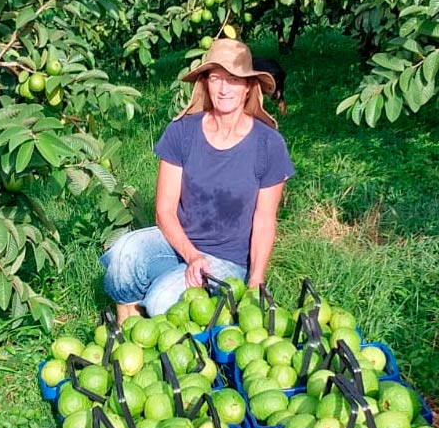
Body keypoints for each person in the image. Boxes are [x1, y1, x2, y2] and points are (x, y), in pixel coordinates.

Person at [101, 38, 295, 322]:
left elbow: (265, 219)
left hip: (227, 259)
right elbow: (164, 210)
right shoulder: (182, 132)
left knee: (162, 302)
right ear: (205, 83)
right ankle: (126, 329)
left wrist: (256, 280)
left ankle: (156, 307)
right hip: (178, 242)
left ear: (248, 87)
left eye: (233, 79)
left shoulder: (269, 144)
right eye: (216, 78)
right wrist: (191, 256)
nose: (224, 88)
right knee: (122, 255)